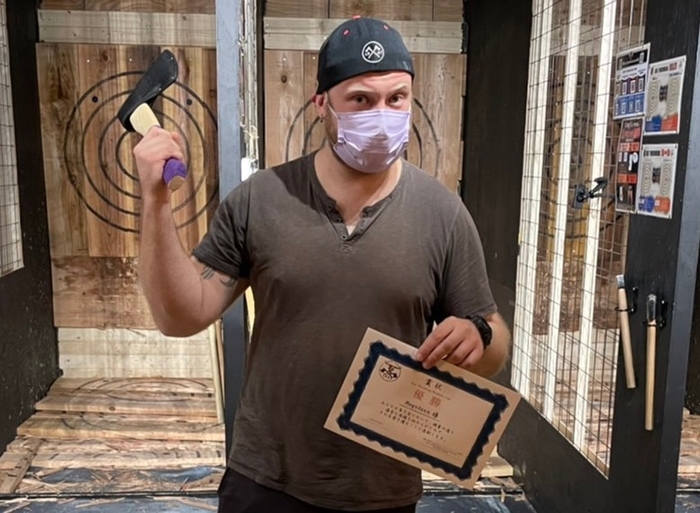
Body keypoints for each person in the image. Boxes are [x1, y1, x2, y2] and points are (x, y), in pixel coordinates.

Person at [133, 16, 510, 513]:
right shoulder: (261, 199)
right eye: (361, 100)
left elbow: (493, 344)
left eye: (396, 98)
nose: (382, 115)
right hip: (267, 481)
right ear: (321, 105)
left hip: (381, 490)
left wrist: (476, 337)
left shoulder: (443, 214)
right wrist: (156, 201)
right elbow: (181, 316)